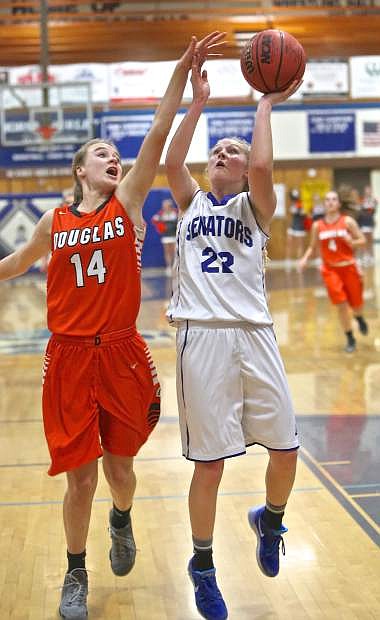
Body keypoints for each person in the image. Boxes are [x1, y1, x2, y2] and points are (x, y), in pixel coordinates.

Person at [0, 31, 225, 620]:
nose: (112, 158)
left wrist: (180, 71)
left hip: (121, 354)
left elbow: (156, 130)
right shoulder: (54, 219)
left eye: (113, 155)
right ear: (79, 169)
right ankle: (75, 574)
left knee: (120, 471)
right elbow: (15, 265)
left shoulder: (126, 204)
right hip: (69, 357)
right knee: (78, 481)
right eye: (100, 154)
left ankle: (121, 519)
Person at [165, 47, 301, 620]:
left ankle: (269, 520)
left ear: (245, 169)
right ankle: (202, 566)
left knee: (288, 451)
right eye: (217, 151)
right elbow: (175, 158)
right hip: (203, 337)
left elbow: (267, 168)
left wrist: (265, 105)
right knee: (211, 465)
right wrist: (197, 105)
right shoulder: (190, 200)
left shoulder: (257, 207)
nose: (222, 154)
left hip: (255, 333)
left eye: (233, 151)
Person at [299, 190, 368, 353]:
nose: (330, 202)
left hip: (349, 267)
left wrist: (352, 242)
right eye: (327, 200)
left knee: (356, 304)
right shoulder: (318, 226)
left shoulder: (348, 222)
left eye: (333, 199)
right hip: (330, 270)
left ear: (338, 204)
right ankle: (350, 337)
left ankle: (359, 317)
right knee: (341, 304)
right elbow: (312, 246)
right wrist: (304, 259)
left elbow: (363, 241)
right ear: (325, 204)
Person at [151, 197, 178, 274]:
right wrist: (160, 226)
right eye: (164, 206)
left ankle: (175, 266)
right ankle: (168, 267)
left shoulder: (175, 213)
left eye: (166, 206)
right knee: (167, 252)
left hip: (174, 235)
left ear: (170, 206)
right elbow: (154, 219)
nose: (165, 207)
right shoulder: (161, 214)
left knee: (174, 251)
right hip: (166, 235)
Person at [285, 188, 307, 263]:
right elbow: (290, 213)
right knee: (289, 244)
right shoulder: (292, 204)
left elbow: (304, 214)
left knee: (300, 245)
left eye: (295, 198)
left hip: (300, 227)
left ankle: (299, 260)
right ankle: (288, 260)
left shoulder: (301, 204)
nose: (294, 199)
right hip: (292, 226)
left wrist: (300, 210)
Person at [358, 184, 377, 266]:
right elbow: (360, 211)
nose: (368, 192)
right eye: (366, 190)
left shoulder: (374, 200)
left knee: (370, 239)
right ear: (365, 191)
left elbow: (374, 211)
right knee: (364, 239)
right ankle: (365, 256)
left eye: (369, 190)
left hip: (370, 221)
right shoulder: (362, 200)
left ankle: (371, 256)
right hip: (363, 222)